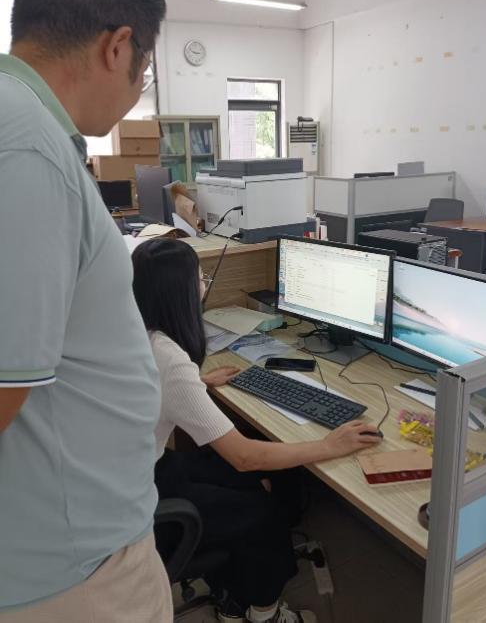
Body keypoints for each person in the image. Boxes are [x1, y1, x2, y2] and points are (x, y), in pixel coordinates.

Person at [0, 0, 171, 621]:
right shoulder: (29, 146)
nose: (136, 92)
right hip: (75, 570)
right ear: (118, 46)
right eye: (143, 72)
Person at [132, 237, 382, 623]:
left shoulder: (134, 333)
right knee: (262, 512)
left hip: (137, 470)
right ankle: (265, 613)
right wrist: (329, 445)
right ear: (179, 293)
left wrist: (196, 383)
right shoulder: (168, 358)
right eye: (200, 277)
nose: (204, 284)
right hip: (145, 495)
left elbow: (154, 387)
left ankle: (233, 594)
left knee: (252, 478)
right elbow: (245, 457)